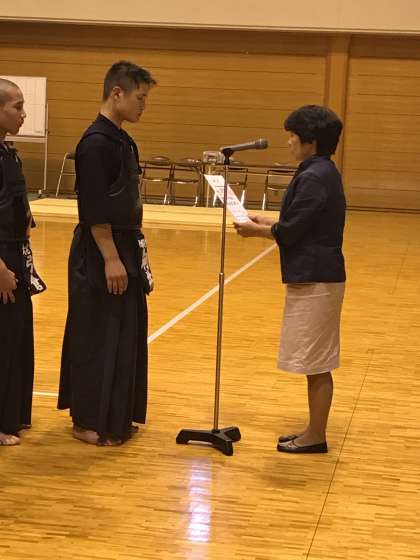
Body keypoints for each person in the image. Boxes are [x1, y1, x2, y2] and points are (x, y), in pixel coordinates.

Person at [234, 105, 345, 454]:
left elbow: (293, 231)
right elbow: (301, 221)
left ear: (311, 141)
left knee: (317, 362)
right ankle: (313, 429)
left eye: (294, 136)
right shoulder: (319, 170)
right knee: (315, 361)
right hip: (316, 275)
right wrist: (266, 220)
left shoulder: (315, 176)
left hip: (317, 278)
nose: (289, 142)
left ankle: (316, 436)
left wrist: (255, 231)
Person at [58, 61, 156, 446]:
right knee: (96, 335)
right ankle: (87, 420)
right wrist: (111, 257)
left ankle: (115, 415)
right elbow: (94, 207)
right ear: (117, 93)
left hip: (125, 246)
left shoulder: (123, 140)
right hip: (101, 250)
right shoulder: (95, 143)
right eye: (140, 97)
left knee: (124, 333)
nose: (143, 105)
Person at [0, 78, 46, 446]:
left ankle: (12, 414)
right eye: (17, 107)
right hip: (1, 259)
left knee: (17, 338)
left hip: (17, 254)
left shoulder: (8, 153)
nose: (24, 114)